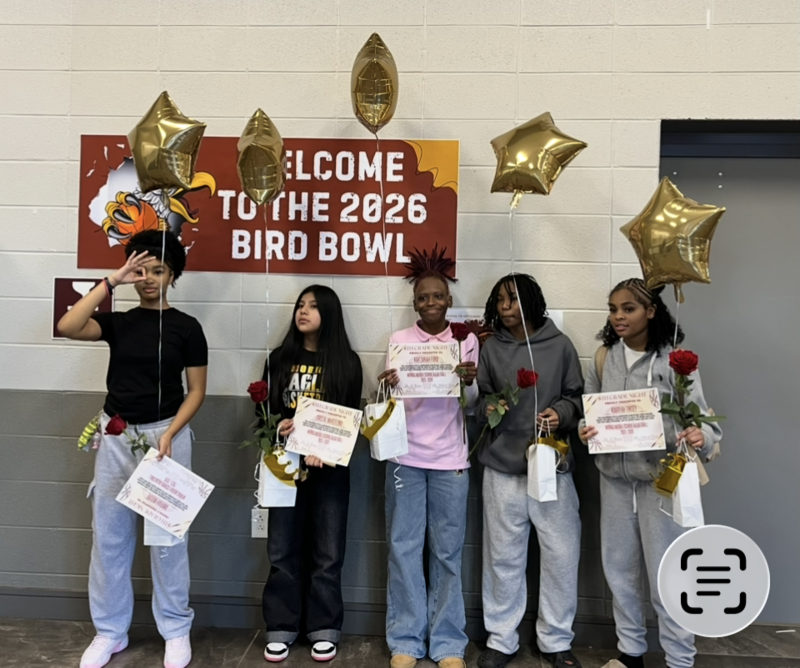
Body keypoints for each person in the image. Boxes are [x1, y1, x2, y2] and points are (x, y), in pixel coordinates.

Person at [58, 230, 208, 668]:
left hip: (167, 437)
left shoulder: (186, 327)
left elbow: (196, 390)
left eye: (157, 271)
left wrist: (170, 433)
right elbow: (68, 326)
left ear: (173, 275)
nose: (147, 279)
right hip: (117, 436)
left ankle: (176, 630)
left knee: (167, 540)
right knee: (110, 540)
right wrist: (112, 281)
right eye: (140, 271)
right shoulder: (118, 322)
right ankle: (110, 631)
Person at [579, 278, 722, 668]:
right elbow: (588, 414)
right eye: (613, 309)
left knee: (670, 572)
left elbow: (707, 423)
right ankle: (631, 653)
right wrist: (584, 429)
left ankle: (679, 658)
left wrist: (700, 435)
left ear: (651, 311)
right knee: (619, 571)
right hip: (614, 480)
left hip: (663, 481)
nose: (619, 316)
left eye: (629, 308)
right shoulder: (603, 358)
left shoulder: (676, 361)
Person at [475, 274, 584, 668]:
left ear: (533, 302)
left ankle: (555, 640)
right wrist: (486, 407)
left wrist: (562, 413)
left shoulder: (560, 346)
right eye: (500, 301)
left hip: (553, 467)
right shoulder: (490, 348)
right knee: (502, 559)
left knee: (560, 555)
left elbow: (577, 398)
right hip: (502, 470)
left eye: (513, 300)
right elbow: (482, 394)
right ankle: (502, 639)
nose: (505, 309)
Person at [378, 246, 479, 668]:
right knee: (403, 548)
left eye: (438, 296)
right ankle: (405, 640)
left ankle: (448, 644)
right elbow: (386, 403)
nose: (431, 303)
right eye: (423, 297)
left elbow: (471, 405)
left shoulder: (465, 341)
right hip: (405, 457)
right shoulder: (399, 342)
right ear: (415, 303)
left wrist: (469, 382)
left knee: (447, 553)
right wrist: (384, 385)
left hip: (450, 459)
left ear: (450, 301)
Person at [260, 285, 363, 663]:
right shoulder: (278, 359)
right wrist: (278, 427)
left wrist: (327, 450)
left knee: (328, 552)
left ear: (329, 314)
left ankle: (323, 627)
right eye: (300, 305)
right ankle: (281, 627)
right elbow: (263, 416)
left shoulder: (347, 363)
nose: (303, 312)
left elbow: (349, 421)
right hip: (285, 467)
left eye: (313, 306)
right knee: (282, 549)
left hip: (330, 472)